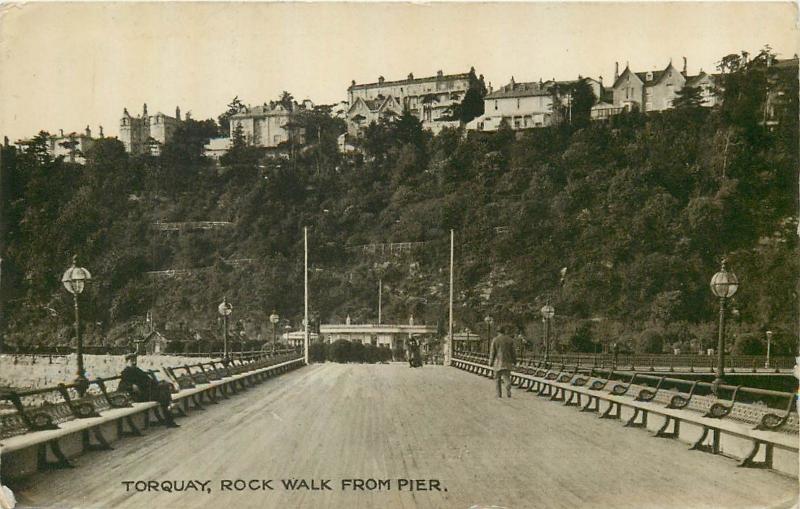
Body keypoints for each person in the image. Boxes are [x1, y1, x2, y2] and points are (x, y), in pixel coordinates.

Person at [120, 353, 180, 428]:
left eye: (135, 360)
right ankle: (170, 414)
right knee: (164, 394)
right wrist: (131, 386)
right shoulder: (126, 372)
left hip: (147, 393)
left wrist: (157, 384)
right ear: (127, 362)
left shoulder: (136, 369)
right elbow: (121, 386)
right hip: (139, 396)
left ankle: (169, 414)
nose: (134, 362)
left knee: (164, 389)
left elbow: (149, 381)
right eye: (132, 361)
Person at [489, 325, 517, 398]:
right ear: (505, 331)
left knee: (497, 378)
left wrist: (490, 361)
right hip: (508, 362)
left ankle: (499, 394)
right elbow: (513, 352)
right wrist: (514, 361)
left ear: (498, 332)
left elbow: (492, 352)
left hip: (498, 362)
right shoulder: (510, 340)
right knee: (506, 377)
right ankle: (508, 386)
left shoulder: (495, 340)